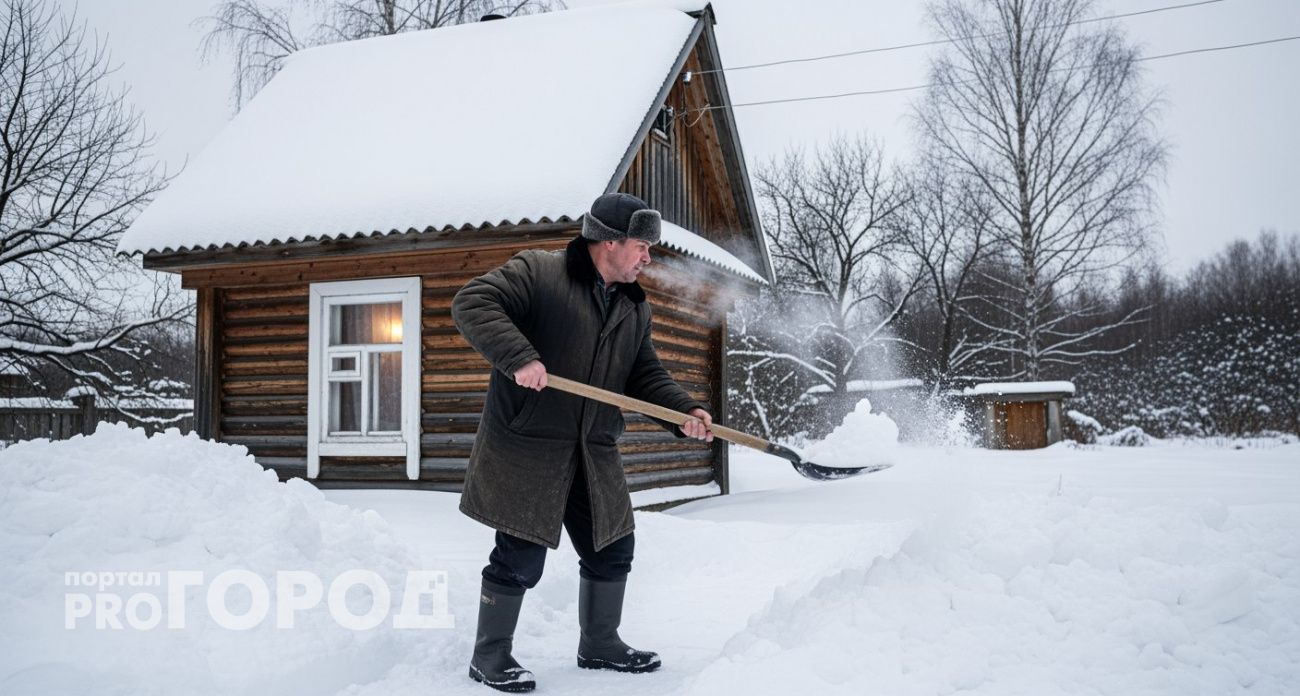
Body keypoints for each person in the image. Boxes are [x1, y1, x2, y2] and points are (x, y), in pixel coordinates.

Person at [451, 192, 714, 693]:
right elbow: (473, 301)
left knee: (613, 546)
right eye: (641, 245)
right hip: (529, 445)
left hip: (592, 448)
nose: (647, 257)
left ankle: (600, 644)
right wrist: (519, 357)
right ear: (609, 241)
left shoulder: (633, 307)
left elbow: (643, 373)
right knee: (519, 554)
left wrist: (683, 412)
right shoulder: (540, 272)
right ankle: (490, 656)